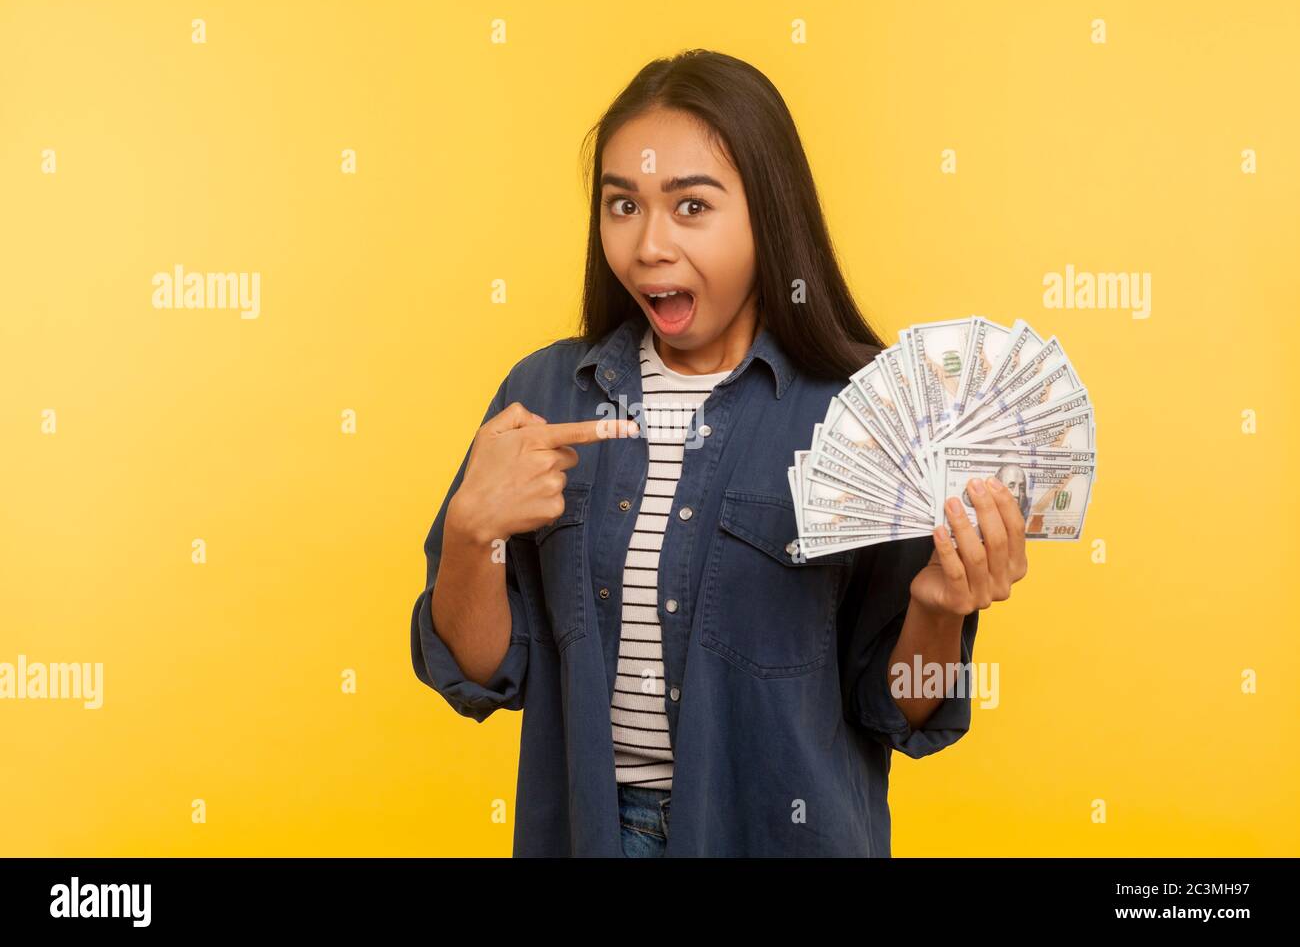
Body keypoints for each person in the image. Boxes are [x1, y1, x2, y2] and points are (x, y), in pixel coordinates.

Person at [411, 49, 1029, 857]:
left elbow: (900, 711)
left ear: (766, 215)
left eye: (691, 207)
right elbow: (485, 673)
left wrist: (942, 608)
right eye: (622, 206)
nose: (647, 247)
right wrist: (470, 536)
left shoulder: (864, 415)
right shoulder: (544, 395)